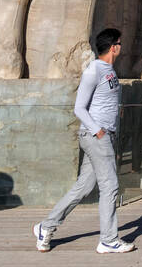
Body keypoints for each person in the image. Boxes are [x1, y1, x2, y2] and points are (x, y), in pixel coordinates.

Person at [34, 28, 135, 254]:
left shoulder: (109, 70)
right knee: (110, 186)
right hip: (96, 136)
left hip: (104, 135)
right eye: (119, 43)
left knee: (84, 187)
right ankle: (108, 239)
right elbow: (79, 107)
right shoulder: (94, 70)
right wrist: (98, 130)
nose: (121, 46)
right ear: (113, 47)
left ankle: (45, 227)